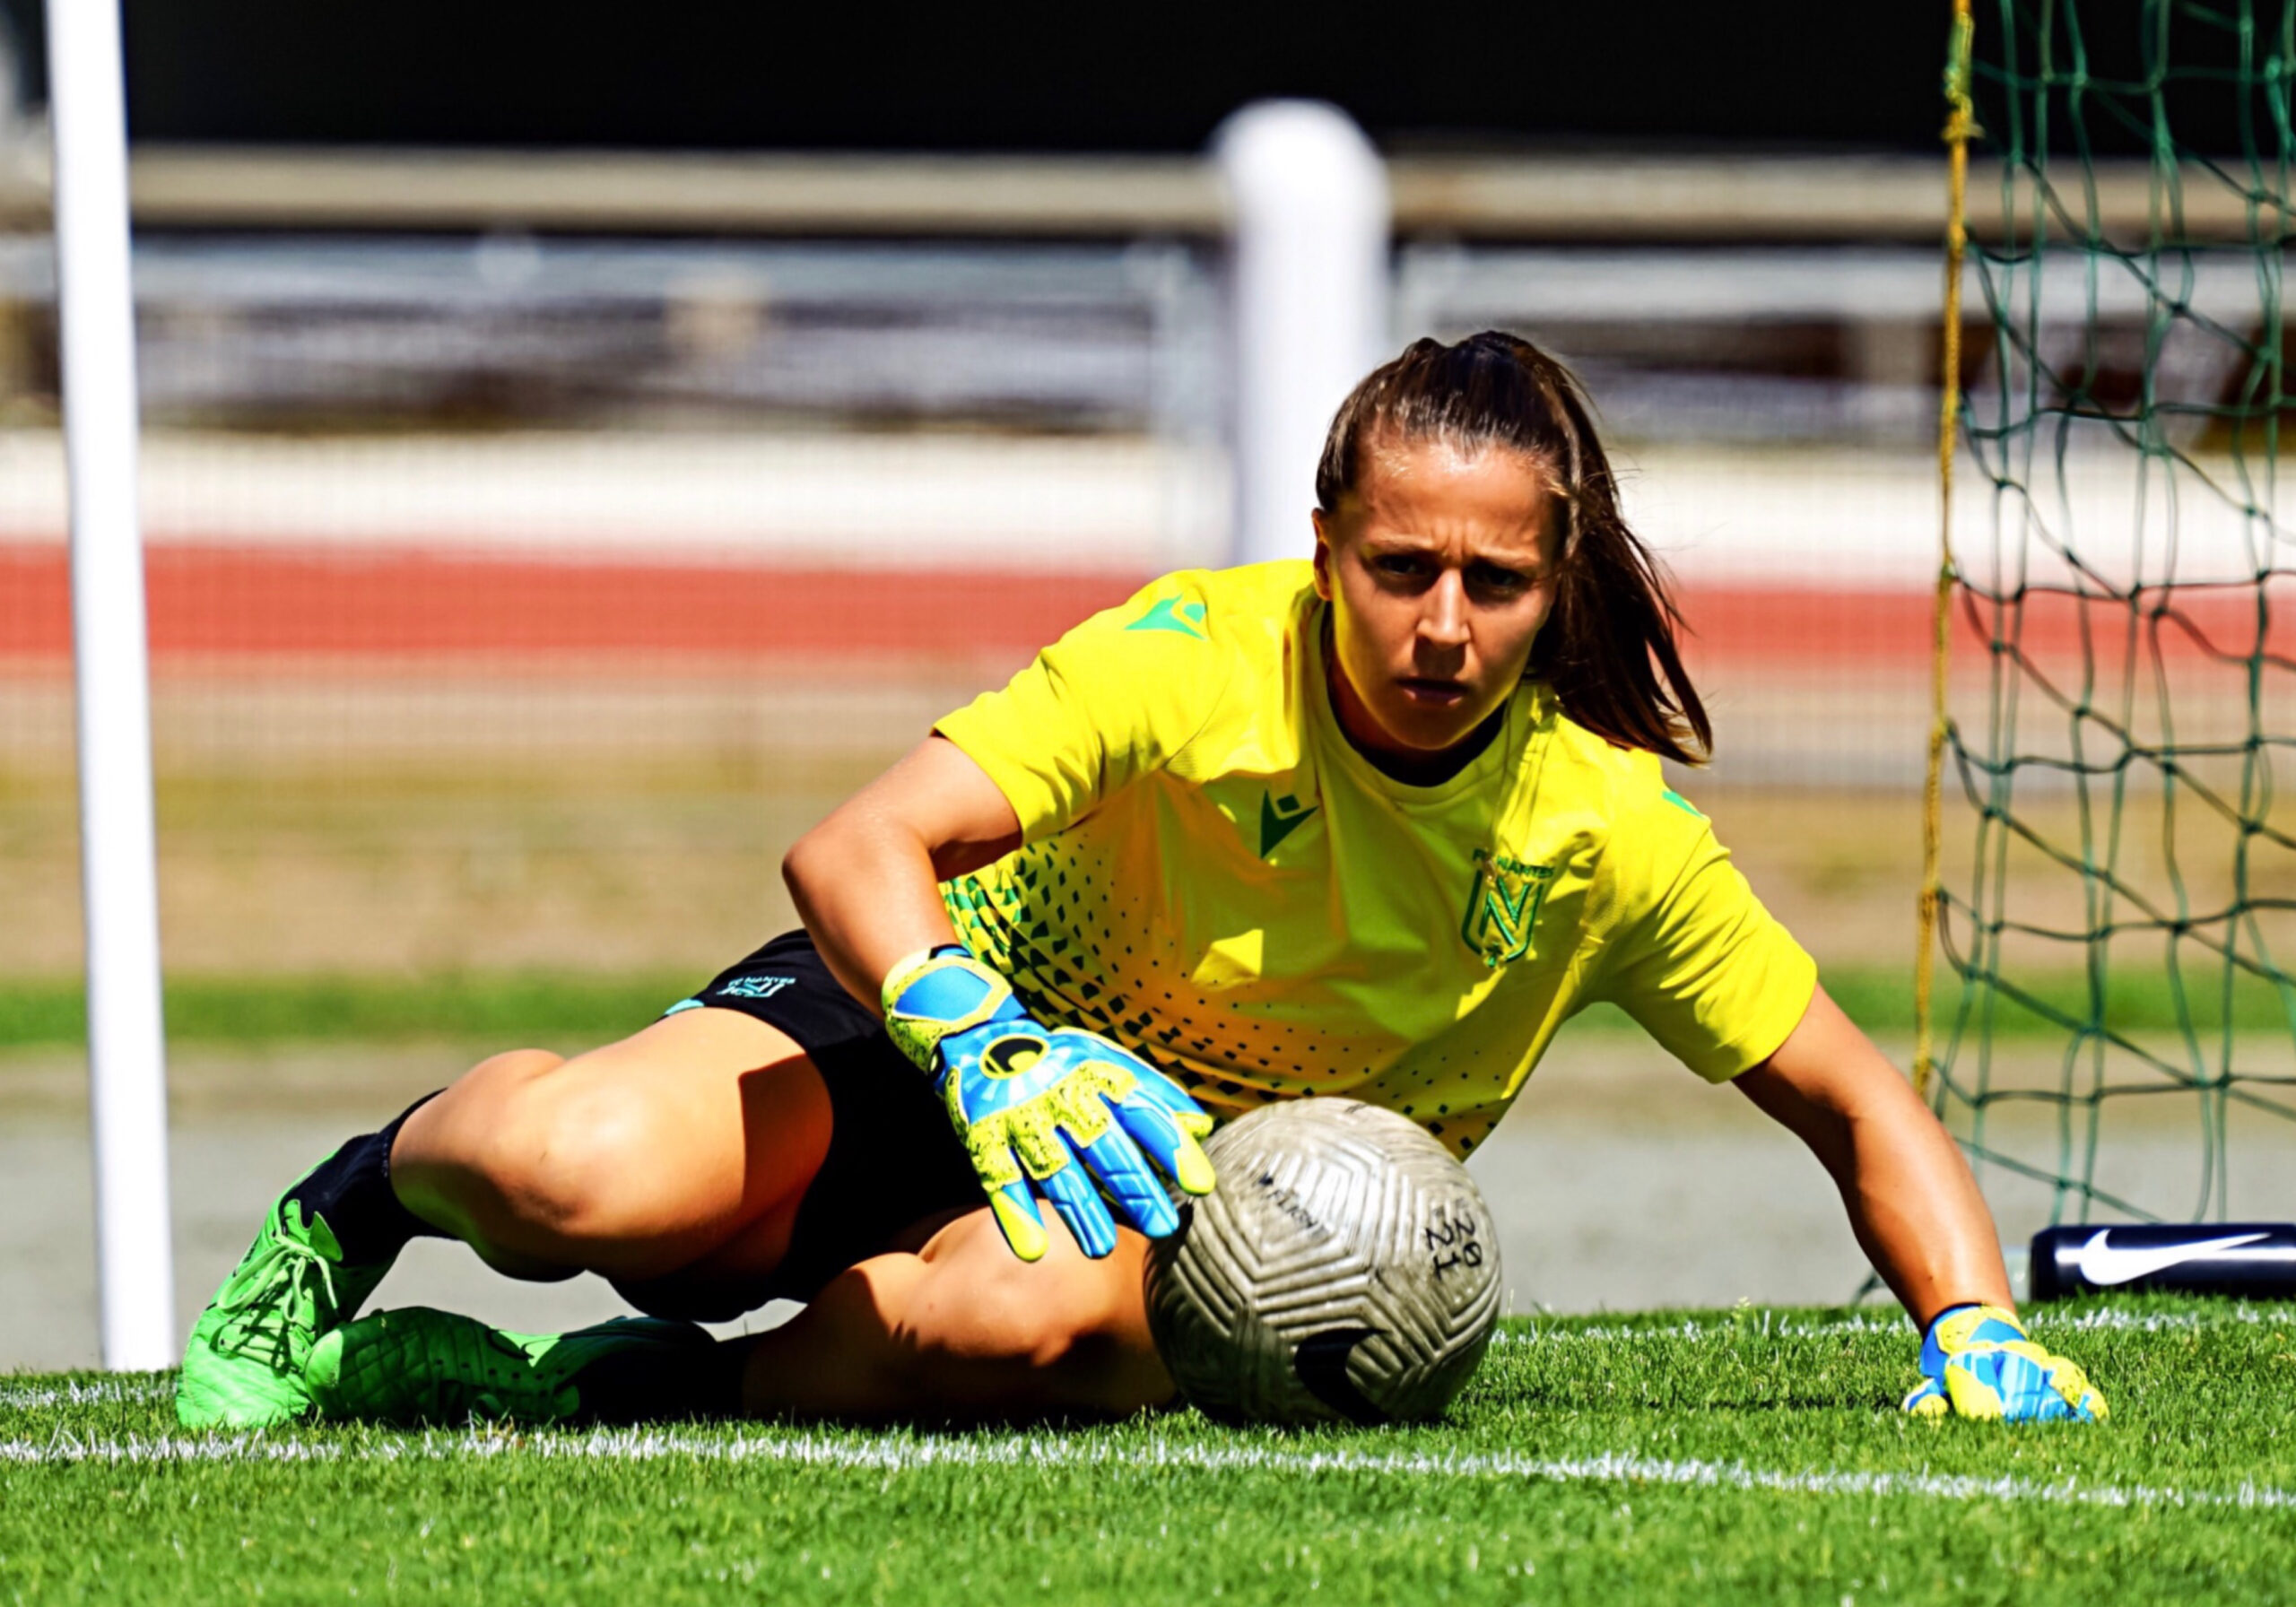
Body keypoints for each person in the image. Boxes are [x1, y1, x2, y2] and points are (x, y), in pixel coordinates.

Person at [175, 332, 2104, 1430]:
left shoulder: (1601, 837)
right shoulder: (1193, 651)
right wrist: (982, 1042)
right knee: (575, 1179)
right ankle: (359, 1189)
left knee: (981, 1332)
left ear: (1555, 586)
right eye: (1397, 568)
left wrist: (1969, 1328)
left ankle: (618, 1395)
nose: (1438, 623)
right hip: (923, 1027)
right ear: (1325, 542)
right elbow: (856, 844)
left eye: (1492, 583)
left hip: (1157, 1195)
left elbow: (1851, 1095)